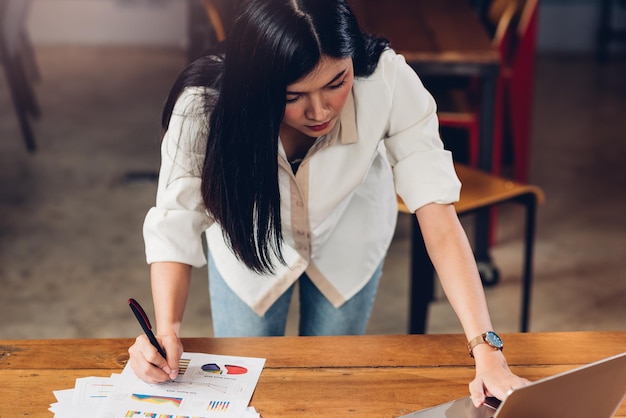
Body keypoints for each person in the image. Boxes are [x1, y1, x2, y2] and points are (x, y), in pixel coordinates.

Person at [128, 0, 529, 407]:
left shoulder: (387, 80)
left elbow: (438, 217)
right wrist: (166, 331)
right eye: (293, 95)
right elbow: (175, 219)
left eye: (337, 83)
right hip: (248, 245)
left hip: (349, 237)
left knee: (331, 388)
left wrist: (487, 351)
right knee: (242, 391)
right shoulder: (203, 105)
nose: (319, 111)